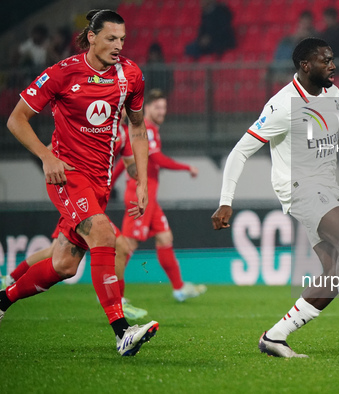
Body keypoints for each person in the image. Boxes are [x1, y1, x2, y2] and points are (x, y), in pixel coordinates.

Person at [2, 9, 158, 357]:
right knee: (104, 234)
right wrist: (46, 156)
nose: (118, 46)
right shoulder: (63, 72)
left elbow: (136, 128)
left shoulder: (131, 74)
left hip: (98, 183)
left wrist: (143, 182)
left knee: (64, 264)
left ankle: (2, 300)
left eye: (122, 39)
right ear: (91, 37)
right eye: (110, 38)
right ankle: (122, 332)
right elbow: (16, 119)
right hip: (65, 175)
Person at [212, 38, 339, 358]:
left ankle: (275, 336)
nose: (332, 65)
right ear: (305, 66)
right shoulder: (282, 106)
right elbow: (240, 151)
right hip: (300, 186)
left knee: (333, 274)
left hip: (327, 186)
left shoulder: (333, 93)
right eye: (324, 60)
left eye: (332, 59)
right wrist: (226, 200)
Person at [1, 112, 148, 320]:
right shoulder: (91, 126)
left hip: (93, 201)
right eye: (123, 105)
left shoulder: (123, 135)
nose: (125, 110)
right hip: (76, 195)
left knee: (60, 260)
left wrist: (143, 168)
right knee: (118, 245)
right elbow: (53, 150)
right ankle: (118, 309)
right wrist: (52, 161)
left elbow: (131, 166)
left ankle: (7, 287)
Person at [120, 88, 206, 303]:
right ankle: (112, 294)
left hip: (149, 197)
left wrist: (110, 180)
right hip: (140, 195)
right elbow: (156, 158)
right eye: (157, 107)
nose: (162, 111)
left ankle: (179, 289)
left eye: (164, 107)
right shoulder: (146, 130)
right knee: (128, 244)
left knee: (164, 236)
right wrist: (186, 167)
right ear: (146, 108)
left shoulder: (150, 131)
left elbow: (126, 161)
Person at [270, 11, 318, 81]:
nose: (305, 25)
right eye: (303, 22)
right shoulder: (289, 39)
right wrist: (296, 38)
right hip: (288, 67)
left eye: (307, 22)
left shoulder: (316, 36)